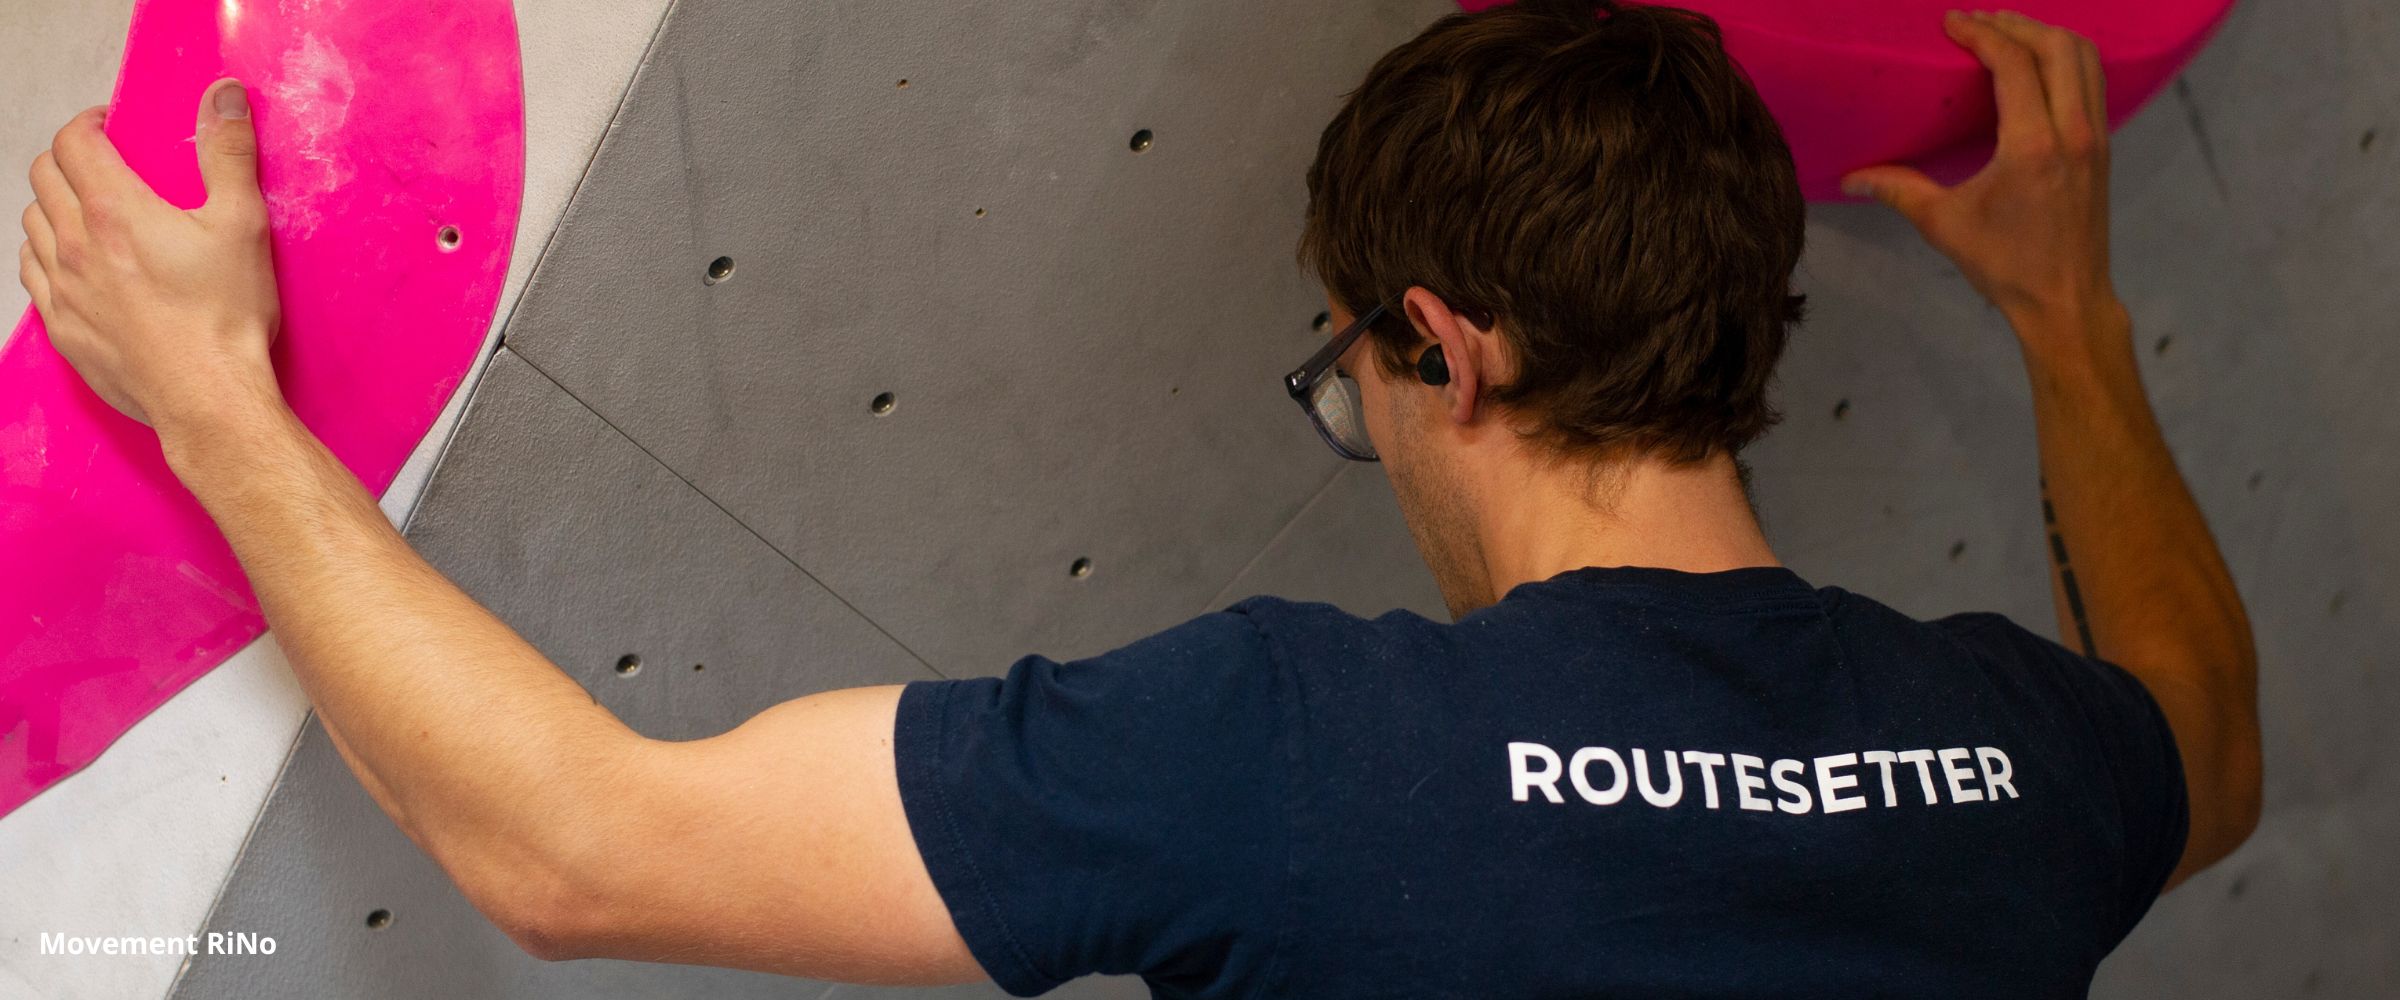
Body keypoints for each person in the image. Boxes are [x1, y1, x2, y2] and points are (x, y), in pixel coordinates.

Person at [17, 1, 2258, 996]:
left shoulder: (1307, 760)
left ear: (1440, 341)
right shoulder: (2012, 768)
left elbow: (576, 852)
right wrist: (2069, 320)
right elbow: (2206, 730)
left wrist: (213, 394)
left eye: (1349, 375)